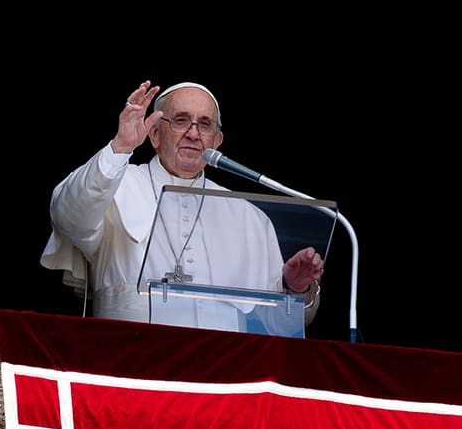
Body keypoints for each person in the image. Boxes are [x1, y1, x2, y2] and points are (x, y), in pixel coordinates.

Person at [40, 80, 325, 335]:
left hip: (223, 376)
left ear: (217, 141)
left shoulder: (248, 215)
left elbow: (274, 324)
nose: (193, 133)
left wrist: (293, 288)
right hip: (131, 365)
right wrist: (120, 147)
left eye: (205, 124)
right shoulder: (115, 183)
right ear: (154, 135)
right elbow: (68, 216)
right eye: (180, 120)